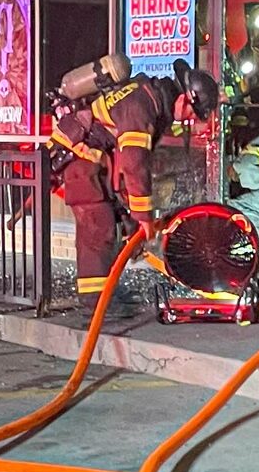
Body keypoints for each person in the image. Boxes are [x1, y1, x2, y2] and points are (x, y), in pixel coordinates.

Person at [47, 55, 204, 310]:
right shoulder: (142, 106)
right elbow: (134, 162)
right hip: (80, 163)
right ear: (183, 98)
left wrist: (135, 219)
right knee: (97, 228)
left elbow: (125, 161)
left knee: (116, 224)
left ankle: (107, 292)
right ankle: (95, 303)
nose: (188, 120)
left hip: (96, 166)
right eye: (191, 113)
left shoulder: (148, 97)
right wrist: (144, 217)